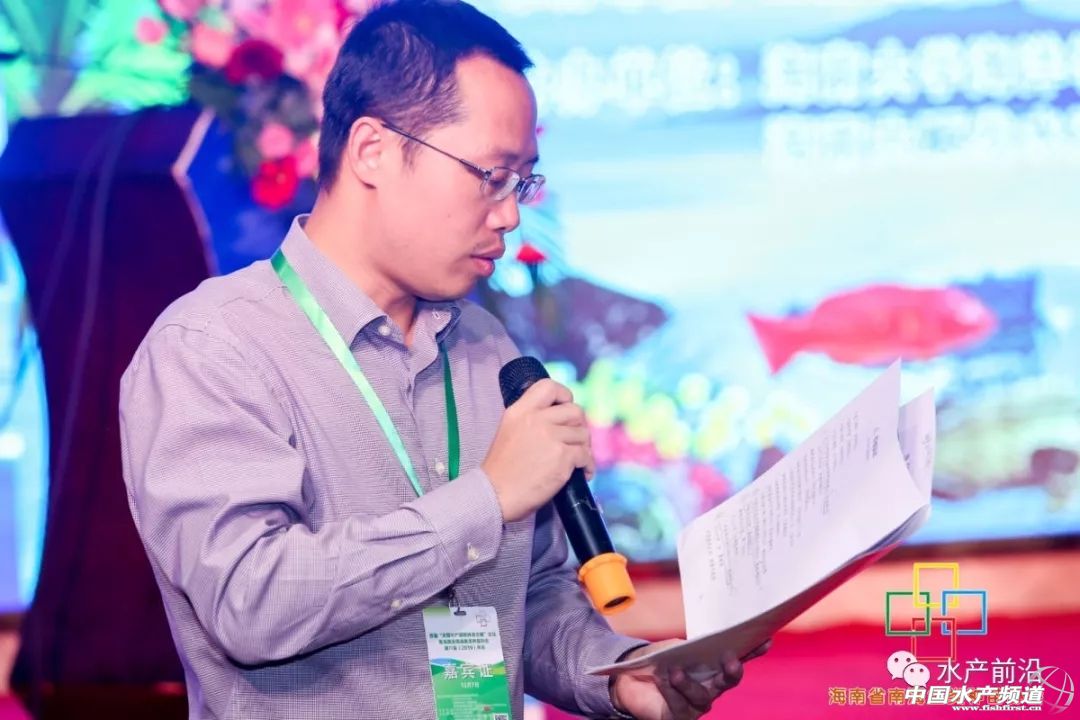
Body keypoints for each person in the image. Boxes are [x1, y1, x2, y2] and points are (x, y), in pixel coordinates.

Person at [119, 1, 768, 718]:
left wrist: (618, 676)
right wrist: (486, 498)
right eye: (490, 174)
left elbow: (530, 597)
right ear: (372, 150)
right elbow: (252, 601)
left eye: (522, 181)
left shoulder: (488, 349)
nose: (511, 213)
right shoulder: (214, 347)